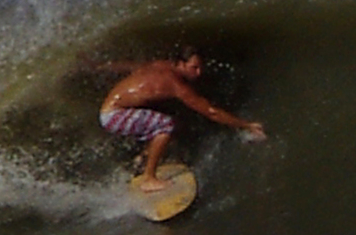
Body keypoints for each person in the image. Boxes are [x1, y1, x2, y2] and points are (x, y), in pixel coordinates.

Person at [97, 50, 266, 191]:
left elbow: (131, 67)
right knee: (166, 125)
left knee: (170, 117)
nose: (198, 73)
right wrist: (246, 125)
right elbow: (211, 112)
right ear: (180, 64)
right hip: (114, 116)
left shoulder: (161, 66)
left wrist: (98, 67)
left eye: (201, 68)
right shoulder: (174, 84)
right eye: (194, 68)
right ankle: (148, 179)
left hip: (114, 111)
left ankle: (142, 158)